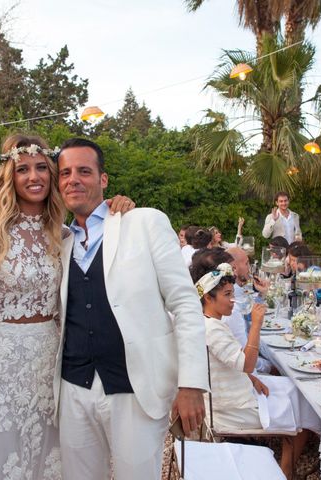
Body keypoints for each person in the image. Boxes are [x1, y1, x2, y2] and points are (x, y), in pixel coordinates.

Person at [0, 133, 133, 480]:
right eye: (22, 169)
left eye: (42, 168)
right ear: (8, 177)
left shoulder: (64, 232)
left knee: (53, 454)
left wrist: (120, 205)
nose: (34, 177)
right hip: (3, 362)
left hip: (54, 360)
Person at [54, 137, 208, 480]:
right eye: (65, 173)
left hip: (136, 389)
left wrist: (192, 383)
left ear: (103, 179)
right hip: (73, 388)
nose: (73, 179)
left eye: (83, 171)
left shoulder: (144, 222)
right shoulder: (59, 240)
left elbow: (185, 303)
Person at [191, 259, 317, 479]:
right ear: (208, 298)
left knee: (292, 386)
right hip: (232, 408)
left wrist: (251, 378)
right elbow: (247, 362)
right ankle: (287, 466)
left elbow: (235, 363)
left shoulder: (210, 322)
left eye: (232, 294)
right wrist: (256, 324)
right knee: (302, 398)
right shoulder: (213, 330)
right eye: (227, 295)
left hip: (236, 390)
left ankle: (292, 455)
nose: (232, 300)